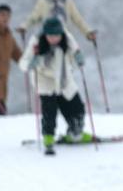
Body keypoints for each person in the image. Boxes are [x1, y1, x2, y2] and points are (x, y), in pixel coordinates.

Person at [18, 17, 87, 155]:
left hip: (63, 79)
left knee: (77, 108)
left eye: (57, 35)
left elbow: (76, 50)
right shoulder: (36, 42)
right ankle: (48, 137)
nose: (54, 39)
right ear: (45, 34)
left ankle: (75, 132)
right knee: (49, 112)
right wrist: (30, 64)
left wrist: (79, 57)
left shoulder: (67, 38)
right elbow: (23, 62)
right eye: (50, 36)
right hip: (45, 82)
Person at [18, 0, 96, 43]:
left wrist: (88, 32)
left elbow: (78, 19)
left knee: (74, 51)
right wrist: (24, 26)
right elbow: (33, 17)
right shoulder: (43, 2)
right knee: (35, 51)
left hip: (64, 34)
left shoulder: (68, 2)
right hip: (47, 34)